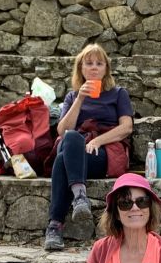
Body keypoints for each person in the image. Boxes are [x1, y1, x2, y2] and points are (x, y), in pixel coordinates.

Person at [44, 43, 134, 251]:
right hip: (75, 148)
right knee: (72, 136)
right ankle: (80, 197)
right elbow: (62, 130)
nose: (94, 67)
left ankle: (54, 226)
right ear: (81, 69)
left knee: (61, 161)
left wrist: (97, 141)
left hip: (100, 153)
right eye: (89, 63)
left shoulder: (118, 94)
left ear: (106, 69)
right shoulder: (72, 97)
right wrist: (80, 99)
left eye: (99, 63)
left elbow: (126, 128)